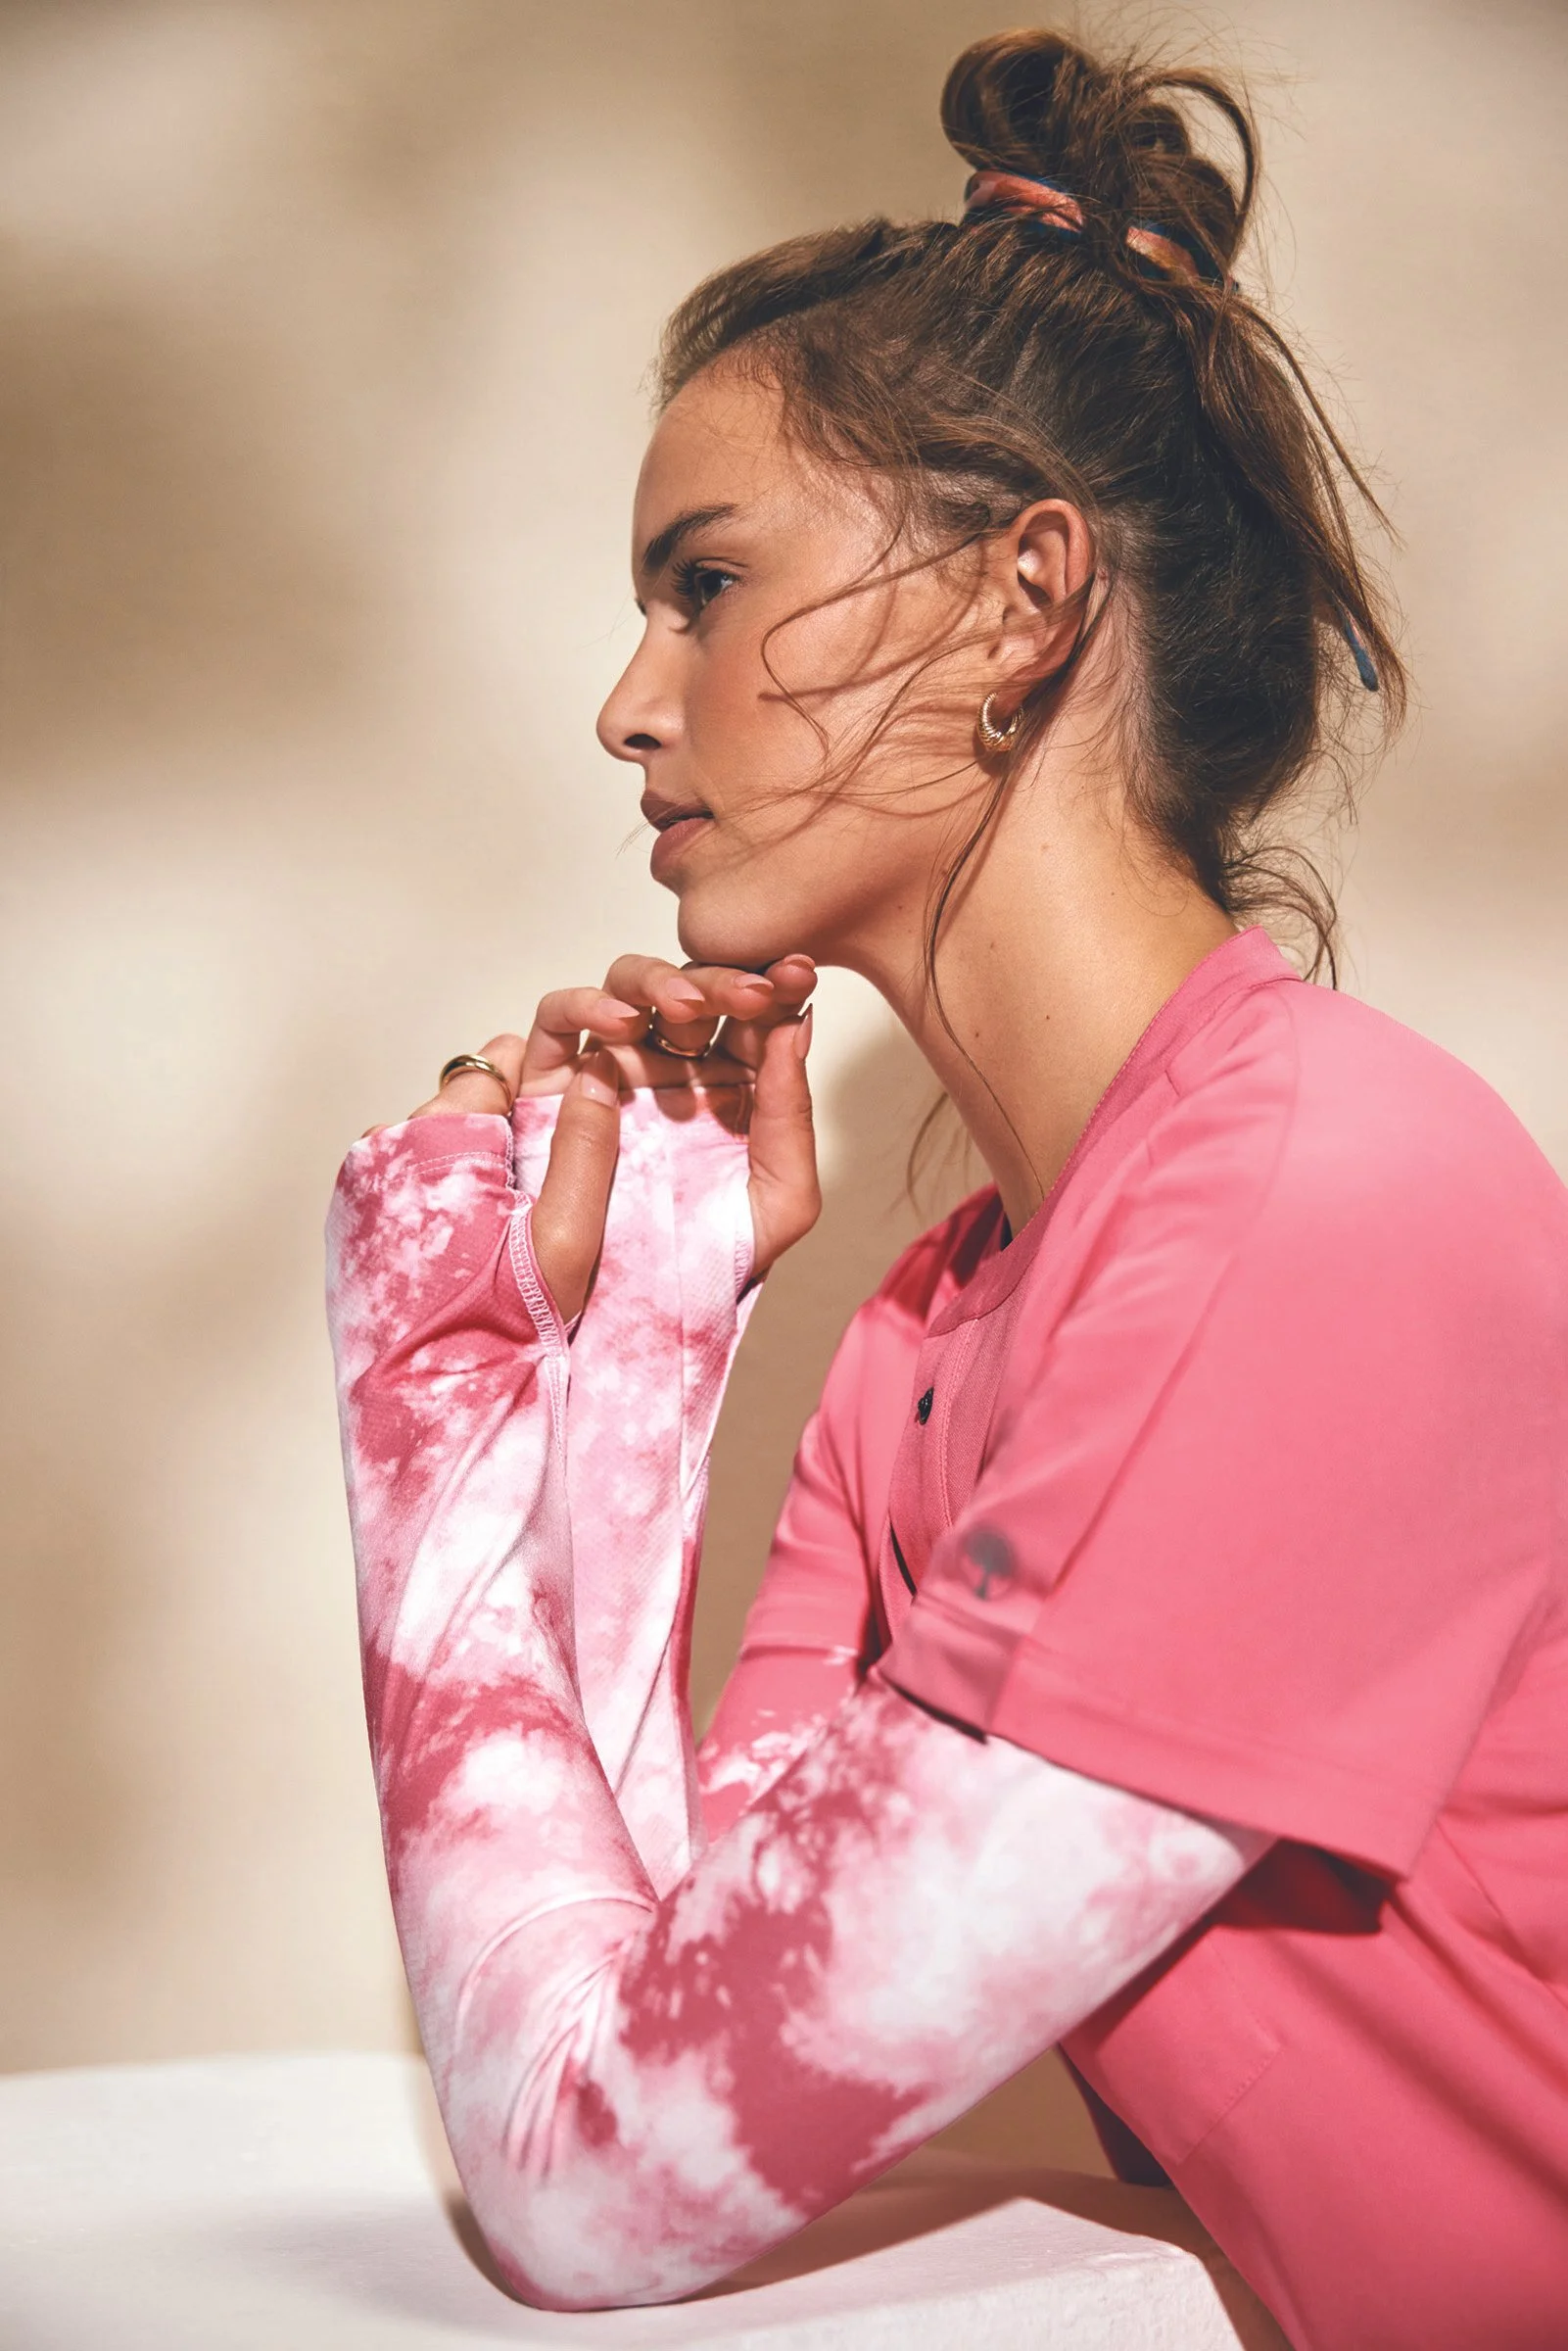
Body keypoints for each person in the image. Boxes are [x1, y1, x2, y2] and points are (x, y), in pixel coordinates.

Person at [324, 29, 1568, 2347]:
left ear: (1021, 602)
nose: (623, 700)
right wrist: (626, 1347)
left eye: (702, 582)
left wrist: (431, 1363)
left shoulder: (1313, 1211)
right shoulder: (930, 1334)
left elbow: (602, 2186)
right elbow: (660, 2014)